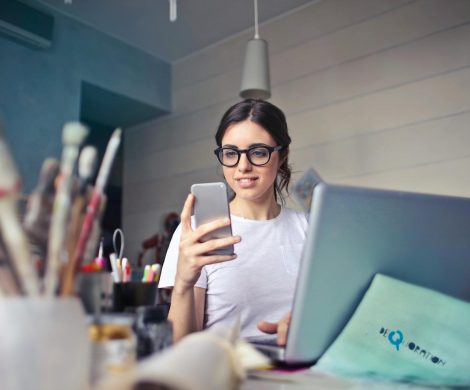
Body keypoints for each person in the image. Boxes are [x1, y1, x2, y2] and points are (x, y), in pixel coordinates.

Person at [159, 99, 308, 345]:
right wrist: (184, 283)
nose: (243, 166)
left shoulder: (309, 228)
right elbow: (181, 346)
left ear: (282, 156)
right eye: (230, 153)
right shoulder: (197, 233)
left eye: (258, 152)